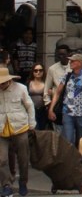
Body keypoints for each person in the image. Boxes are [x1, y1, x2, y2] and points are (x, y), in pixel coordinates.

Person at [0, 64, 35, 197]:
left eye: (3, 83)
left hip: (20, 127)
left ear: (9, 80)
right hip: (2, 129)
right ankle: (6, 185)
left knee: (23, 159)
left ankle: (23, 182)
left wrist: (32, 123)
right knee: (1, 159)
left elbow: (29, 106)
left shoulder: (21, 88)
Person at [48, 53, 82, 148]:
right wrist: (51, 109)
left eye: (73, 61)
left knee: (81, 140)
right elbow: (57, 93)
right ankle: (70, 160)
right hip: (67, 112)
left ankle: (80, 159)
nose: (70, 62)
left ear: (80, 63)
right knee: (68, 139)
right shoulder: (66, 76)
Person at [43, 44, 71, 132]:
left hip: (71, 104)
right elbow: (47, 88)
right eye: (59, 54)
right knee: (58, 131)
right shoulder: (52, 69)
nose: (61, 57)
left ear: (68, 54)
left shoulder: (73, 67)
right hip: (57, 104)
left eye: (63, 54)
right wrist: (49, 105)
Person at [26, 63, 48, 131]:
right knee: (34, 129)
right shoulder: (29, 83)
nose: (38, 72)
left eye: (40, 70)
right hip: (31, 110)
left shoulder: (46, 83)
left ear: (43, 71)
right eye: (36, 70)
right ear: (33, 72)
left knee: (42, 129)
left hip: (43, 110)